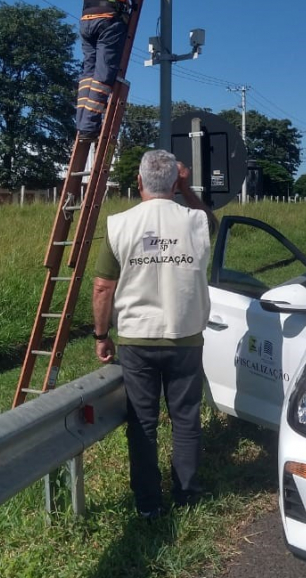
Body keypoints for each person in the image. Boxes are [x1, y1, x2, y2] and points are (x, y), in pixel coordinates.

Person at [92, 149, 217, 518]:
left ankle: (148, 504)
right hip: (186, 336)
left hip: (136, 340)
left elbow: (102, 287)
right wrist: (186, 188)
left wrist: (101, 335)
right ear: (177, 182)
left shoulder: (119, 224)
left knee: (142, 423)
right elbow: (213, 222)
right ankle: (187, 494)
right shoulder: (196, 221)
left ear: (139, 181)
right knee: (185, 418)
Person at [76, 0, 166, 140]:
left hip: (86, 21)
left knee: (88, 75)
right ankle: (90, 127)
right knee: (103, 75)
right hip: (108, 20)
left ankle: (82, 123)